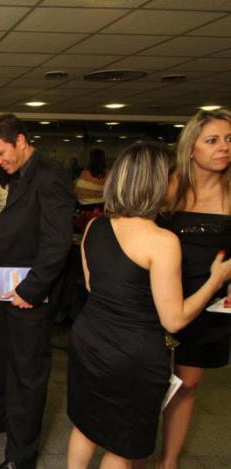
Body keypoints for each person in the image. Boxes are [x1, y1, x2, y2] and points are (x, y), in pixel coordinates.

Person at [67, 142, 231, 469]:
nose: (179, 185)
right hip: (133, 354)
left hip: (89, 340)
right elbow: (174, 319)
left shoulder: (96, 226)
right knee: (122, 444)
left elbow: (92, 285)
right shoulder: (162, 241)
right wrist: (215, 280)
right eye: (175, 178)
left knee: (86, 425)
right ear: (157, 182)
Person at [0, 113, 74, 469]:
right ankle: (6, 415)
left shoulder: (50, 175)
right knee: (4, 357)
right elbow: (31, 224)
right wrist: (4, 237)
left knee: (27, 370)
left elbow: (57, 243)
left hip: (30, 288)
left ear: (20, 140)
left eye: (1, 153)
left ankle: (21, 455)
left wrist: (31, 290)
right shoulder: (20, 174)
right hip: (9, 278)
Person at [157, 109, 231, 469]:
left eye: (229, 139)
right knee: (149, 382)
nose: (224, 147)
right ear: (190, 148)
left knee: (186, 385)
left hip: (210, 305)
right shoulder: (170, 187)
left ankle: (168, 461)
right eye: (212, 140)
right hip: (159, 299)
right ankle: (133, 454)